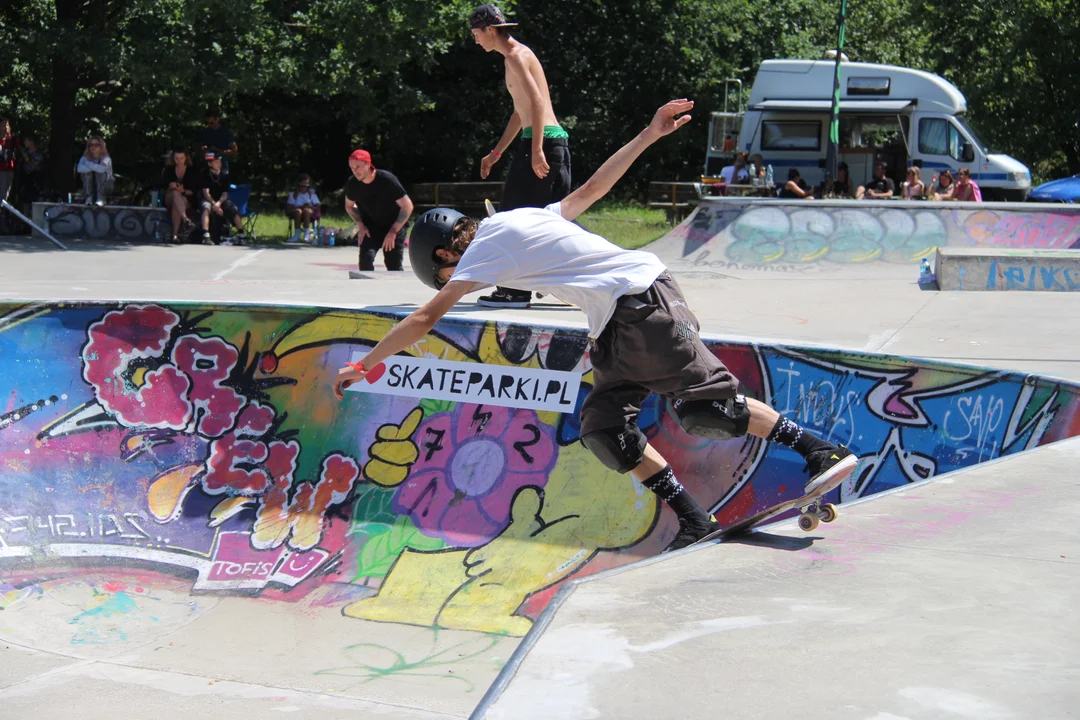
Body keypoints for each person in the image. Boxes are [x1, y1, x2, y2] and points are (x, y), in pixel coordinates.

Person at [332, 100, 857, 552]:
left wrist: (364, 364)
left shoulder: (484, 249)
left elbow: (425, 318)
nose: (457, 280)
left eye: (446, 273)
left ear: (446, 253)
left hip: (642, 304)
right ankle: (696, 520)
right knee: (605, 429)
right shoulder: (523, 218)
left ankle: (818, 449)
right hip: (615, 324)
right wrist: (649, 134)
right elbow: (592, 188)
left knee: (708, 410)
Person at [471, 3, 571, 309]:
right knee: (553, 220)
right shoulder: (517, 54)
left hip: (542, 145)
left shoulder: (514, 57)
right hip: (551, 143)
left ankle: (514, 291)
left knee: (512, 219)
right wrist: (496, 152)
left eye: (476, 34)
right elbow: (521, 111)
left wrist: (537, 148)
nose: (475, 41)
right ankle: (574, 284)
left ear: (489, 30)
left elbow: (538, 103)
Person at [344, 149, 413, 271]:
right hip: (371, 227)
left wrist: (393, 232)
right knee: (366, 260)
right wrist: (360, 225)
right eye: (352, 168)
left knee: (393, 264)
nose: (355, 171)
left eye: (358, 167)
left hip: (394, 226)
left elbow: (407, 206)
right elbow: (349, 206)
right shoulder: (353, 183)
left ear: (367, 165)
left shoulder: (387, 180)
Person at [197, 150, 247, 246]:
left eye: (219, 162)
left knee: (233, 208)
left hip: (220, 200)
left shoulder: (224, 175)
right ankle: (205, 235)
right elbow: (206, 193)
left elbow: (225, 193)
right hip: (208, 199)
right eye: (216, 162)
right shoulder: (204, 174)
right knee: (206, 207)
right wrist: (213, 204)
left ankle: (241, 234)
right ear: (210, 163)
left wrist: (218, 203)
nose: (219, 164)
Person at [161, 149, 198, 243]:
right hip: (169, 195)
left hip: (186, 198)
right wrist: (171, 186)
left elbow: (193, 191)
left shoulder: (192, 170)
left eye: (181, 158)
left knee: (176, 203)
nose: (179, 161)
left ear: (186, 158)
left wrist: (182, 191)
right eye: (176, 158)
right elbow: (163, 186)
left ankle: (175, 235)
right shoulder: (168, 169)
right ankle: (185, 219)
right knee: (175, 193)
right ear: (173, 158)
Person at [197, 109, 238, 174]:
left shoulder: (226, 132)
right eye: (207, 123)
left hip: (222, 166)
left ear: (217, 120)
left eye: (211, 123)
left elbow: (234, 152)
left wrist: (218, 150)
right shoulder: (204, 132)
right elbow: (200, 152)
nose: (209, 125)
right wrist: (203, 150)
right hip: (208, 166)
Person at [77, 135, 114, 206]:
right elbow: (79, 169)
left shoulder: (106, 158)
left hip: (106, 187)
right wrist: (96, 166)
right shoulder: (85, 158)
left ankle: (101, 199)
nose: (93, 147)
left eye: (96, 145)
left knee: (100, 173)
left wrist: (88, 164)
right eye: (91, 145)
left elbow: (102, 170)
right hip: (90, 186)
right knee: (87, 172)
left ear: (101, 146)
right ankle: (89, 198)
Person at [285, 174, 321, 243]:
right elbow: (289, 207)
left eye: (306, 186)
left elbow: (317, 207)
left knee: (306, 211)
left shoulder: (312, 194)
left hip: (309, 212)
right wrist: (299, 207)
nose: (303, 188)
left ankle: (306, 235)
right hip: (296, 212)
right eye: (302, 186)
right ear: (298, 185)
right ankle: (296, 236)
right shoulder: (293, 195)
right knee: (298, 211)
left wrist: (309, 206)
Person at [17, 133, 45, 204]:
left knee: (32, 200)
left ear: (31, 141)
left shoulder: (38, 154)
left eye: (25, 141)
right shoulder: (25, 151)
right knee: (24, 201)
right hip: (24, 179)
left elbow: (33, 165)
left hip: (34, 180)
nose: (24, 142)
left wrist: (25, 157)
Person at [0, 118, 15, 204]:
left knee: (6, 194)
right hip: (1, 169)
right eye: (3, 125)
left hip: (10, 169)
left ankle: (3, 212)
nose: (5, 127)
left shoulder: (12, 139)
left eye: (7, 125)